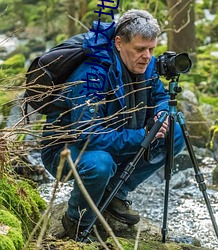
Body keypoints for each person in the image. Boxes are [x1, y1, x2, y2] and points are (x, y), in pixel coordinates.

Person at [41, 9, 185, 241]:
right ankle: (76, 221)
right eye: (140, 49)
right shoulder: (90, 76)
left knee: (175, 132)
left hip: (117, 136)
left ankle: (115, 193)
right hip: (67, 150)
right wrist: (142, 135)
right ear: (119, 43)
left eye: (152, 49)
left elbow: (159, 96)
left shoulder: (146, 64)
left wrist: (161, 114)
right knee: (100, 164)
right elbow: (87, 135)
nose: (147, 56)